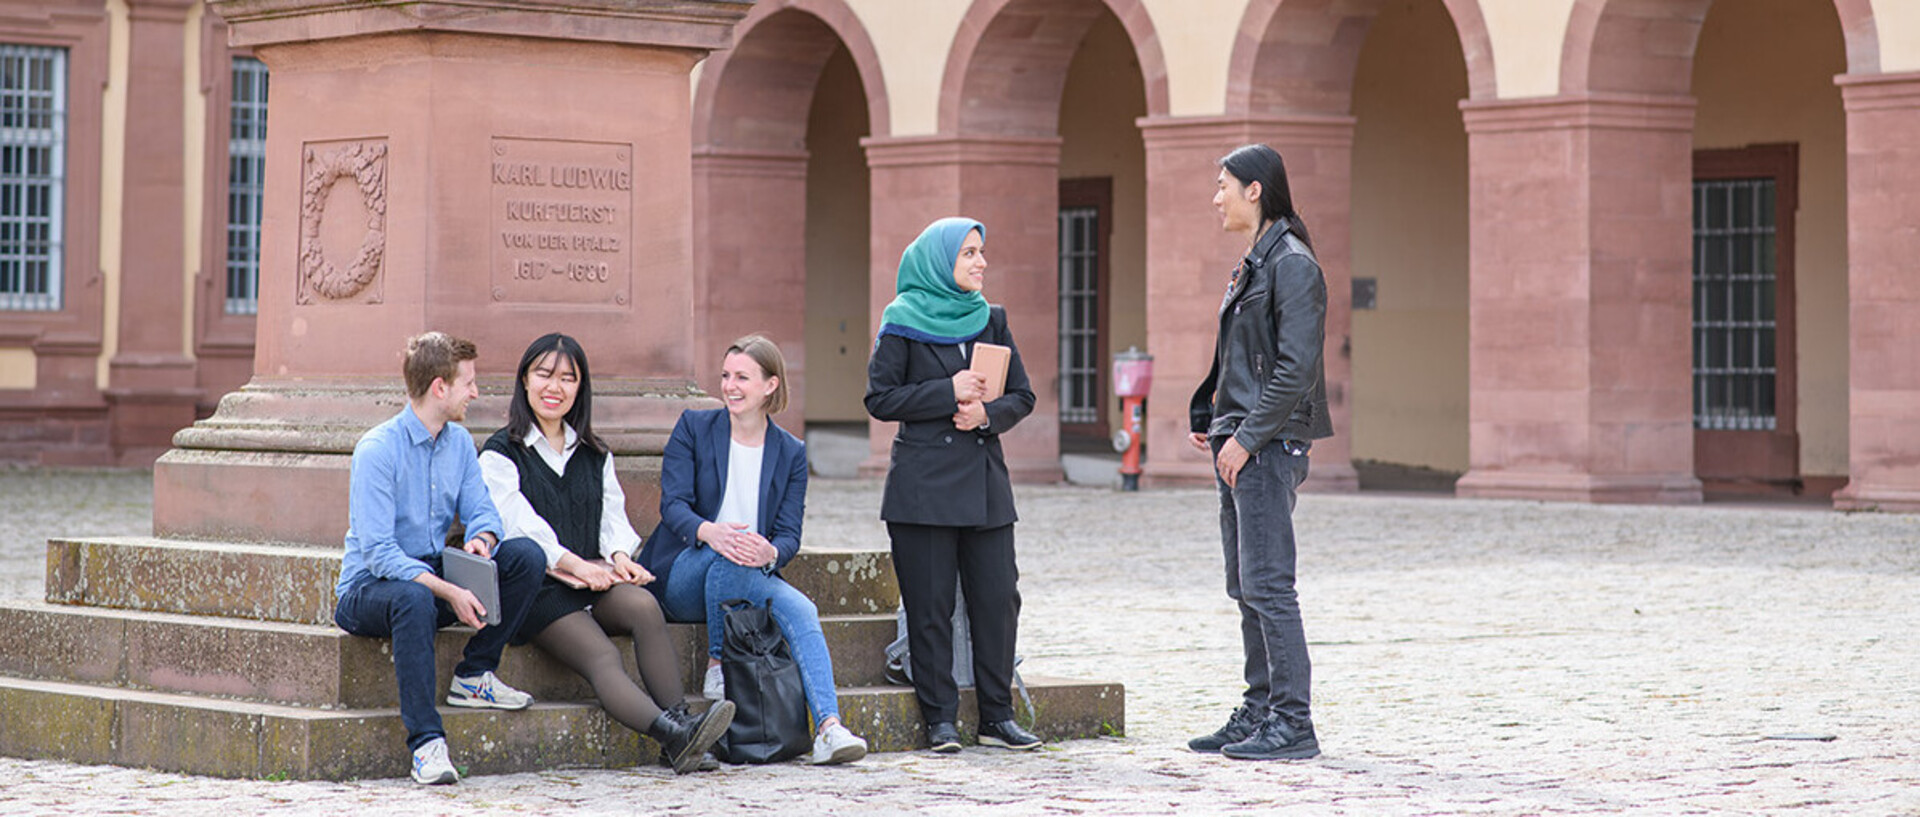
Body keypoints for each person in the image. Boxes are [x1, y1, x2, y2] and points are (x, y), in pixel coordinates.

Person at [479, 333, 734, 775]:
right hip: (539, 589)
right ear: (524, 380)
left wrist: (619, 557)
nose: (554, 387)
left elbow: (611, 520)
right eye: (544, 374)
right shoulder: (501, 453)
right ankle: (673, 736)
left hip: (592, 578)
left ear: (580, 388)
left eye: (567, 378)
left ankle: (681, 721)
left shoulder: (594, 453)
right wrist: (574, 566)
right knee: (603, 656)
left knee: (643, 606)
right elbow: (520, 525)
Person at [638, 334, 868, 766]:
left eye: (743, 377)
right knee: (729, 549)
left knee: (802, 609)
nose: (730, 386)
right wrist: (710, 532)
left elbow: (788, 536)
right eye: (726, 376)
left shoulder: (791, 452)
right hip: (686, 574)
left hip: (749, 573)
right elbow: (672, 506)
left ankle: (829, 728)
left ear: (770, 385)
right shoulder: (694, 427)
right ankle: (718, 663)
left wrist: (772, 555)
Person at [333, 331, 545, 785]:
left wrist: (482, 541)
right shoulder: (377, 450)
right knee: (413, 598)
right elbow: (379, 553)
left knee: (526, 556)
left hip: (428, 576)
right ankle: (427, 744)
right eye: (468, 382)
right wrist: (449, 588)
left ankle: (474, 675)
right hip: (368, 590)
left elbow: (483, 510)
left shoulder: (460, 444)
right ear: (438, 387)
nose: (475, 392)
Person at [865, 217, 1041, 754]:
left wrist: (987, 415)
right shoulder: (902, 320)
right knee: (930, 605)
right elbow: (880, 399)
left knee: (997, 600)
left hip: (985, 485)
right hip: (922, 488)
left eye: (981, 252)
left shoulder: (992, 319)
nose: (980, 262)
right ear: (940, 262)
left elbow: (1024, 396)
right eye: (968, 254)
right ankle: (940, 719)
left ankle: (997, 717)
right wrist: (947, 391)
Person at [1185, 144, 1332, 761]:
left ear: (1255, 190)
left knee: (1270, 585)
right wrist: (1210, 415)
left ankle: (1293, 724)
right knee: (1246, 584)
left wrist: (1245, 437)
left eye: (1223, 185)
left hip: (1267, 446)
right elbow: (1239, 353)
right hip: (1240, 439)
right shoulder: (1254, 262)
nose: (1215, 197)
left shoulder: (1292, 263)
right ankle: (1260, 708)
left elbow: (1296, 367)